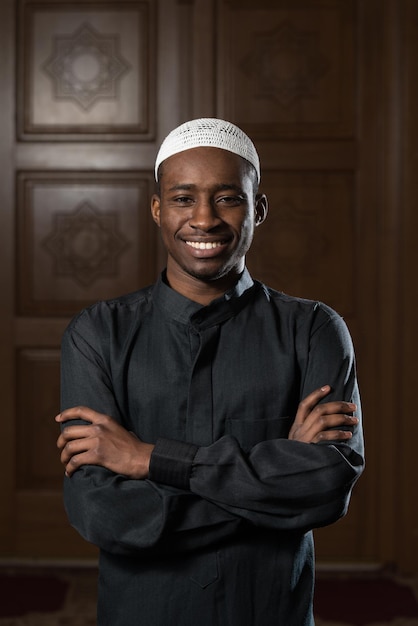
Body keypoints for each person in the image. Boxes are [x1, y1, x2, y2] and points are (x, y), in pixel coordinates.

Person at [55, 118, 364, 626]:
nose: (204, 219)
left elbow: (327, 485)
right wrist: (270, 490)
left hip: (267, 611)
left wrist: (150, 459)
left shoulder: (313, 330)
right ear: (157, 208)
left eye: (227, 198)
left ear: (257, 209)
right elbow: (102, 512)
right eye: (182, 198)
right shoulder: (97, 334)